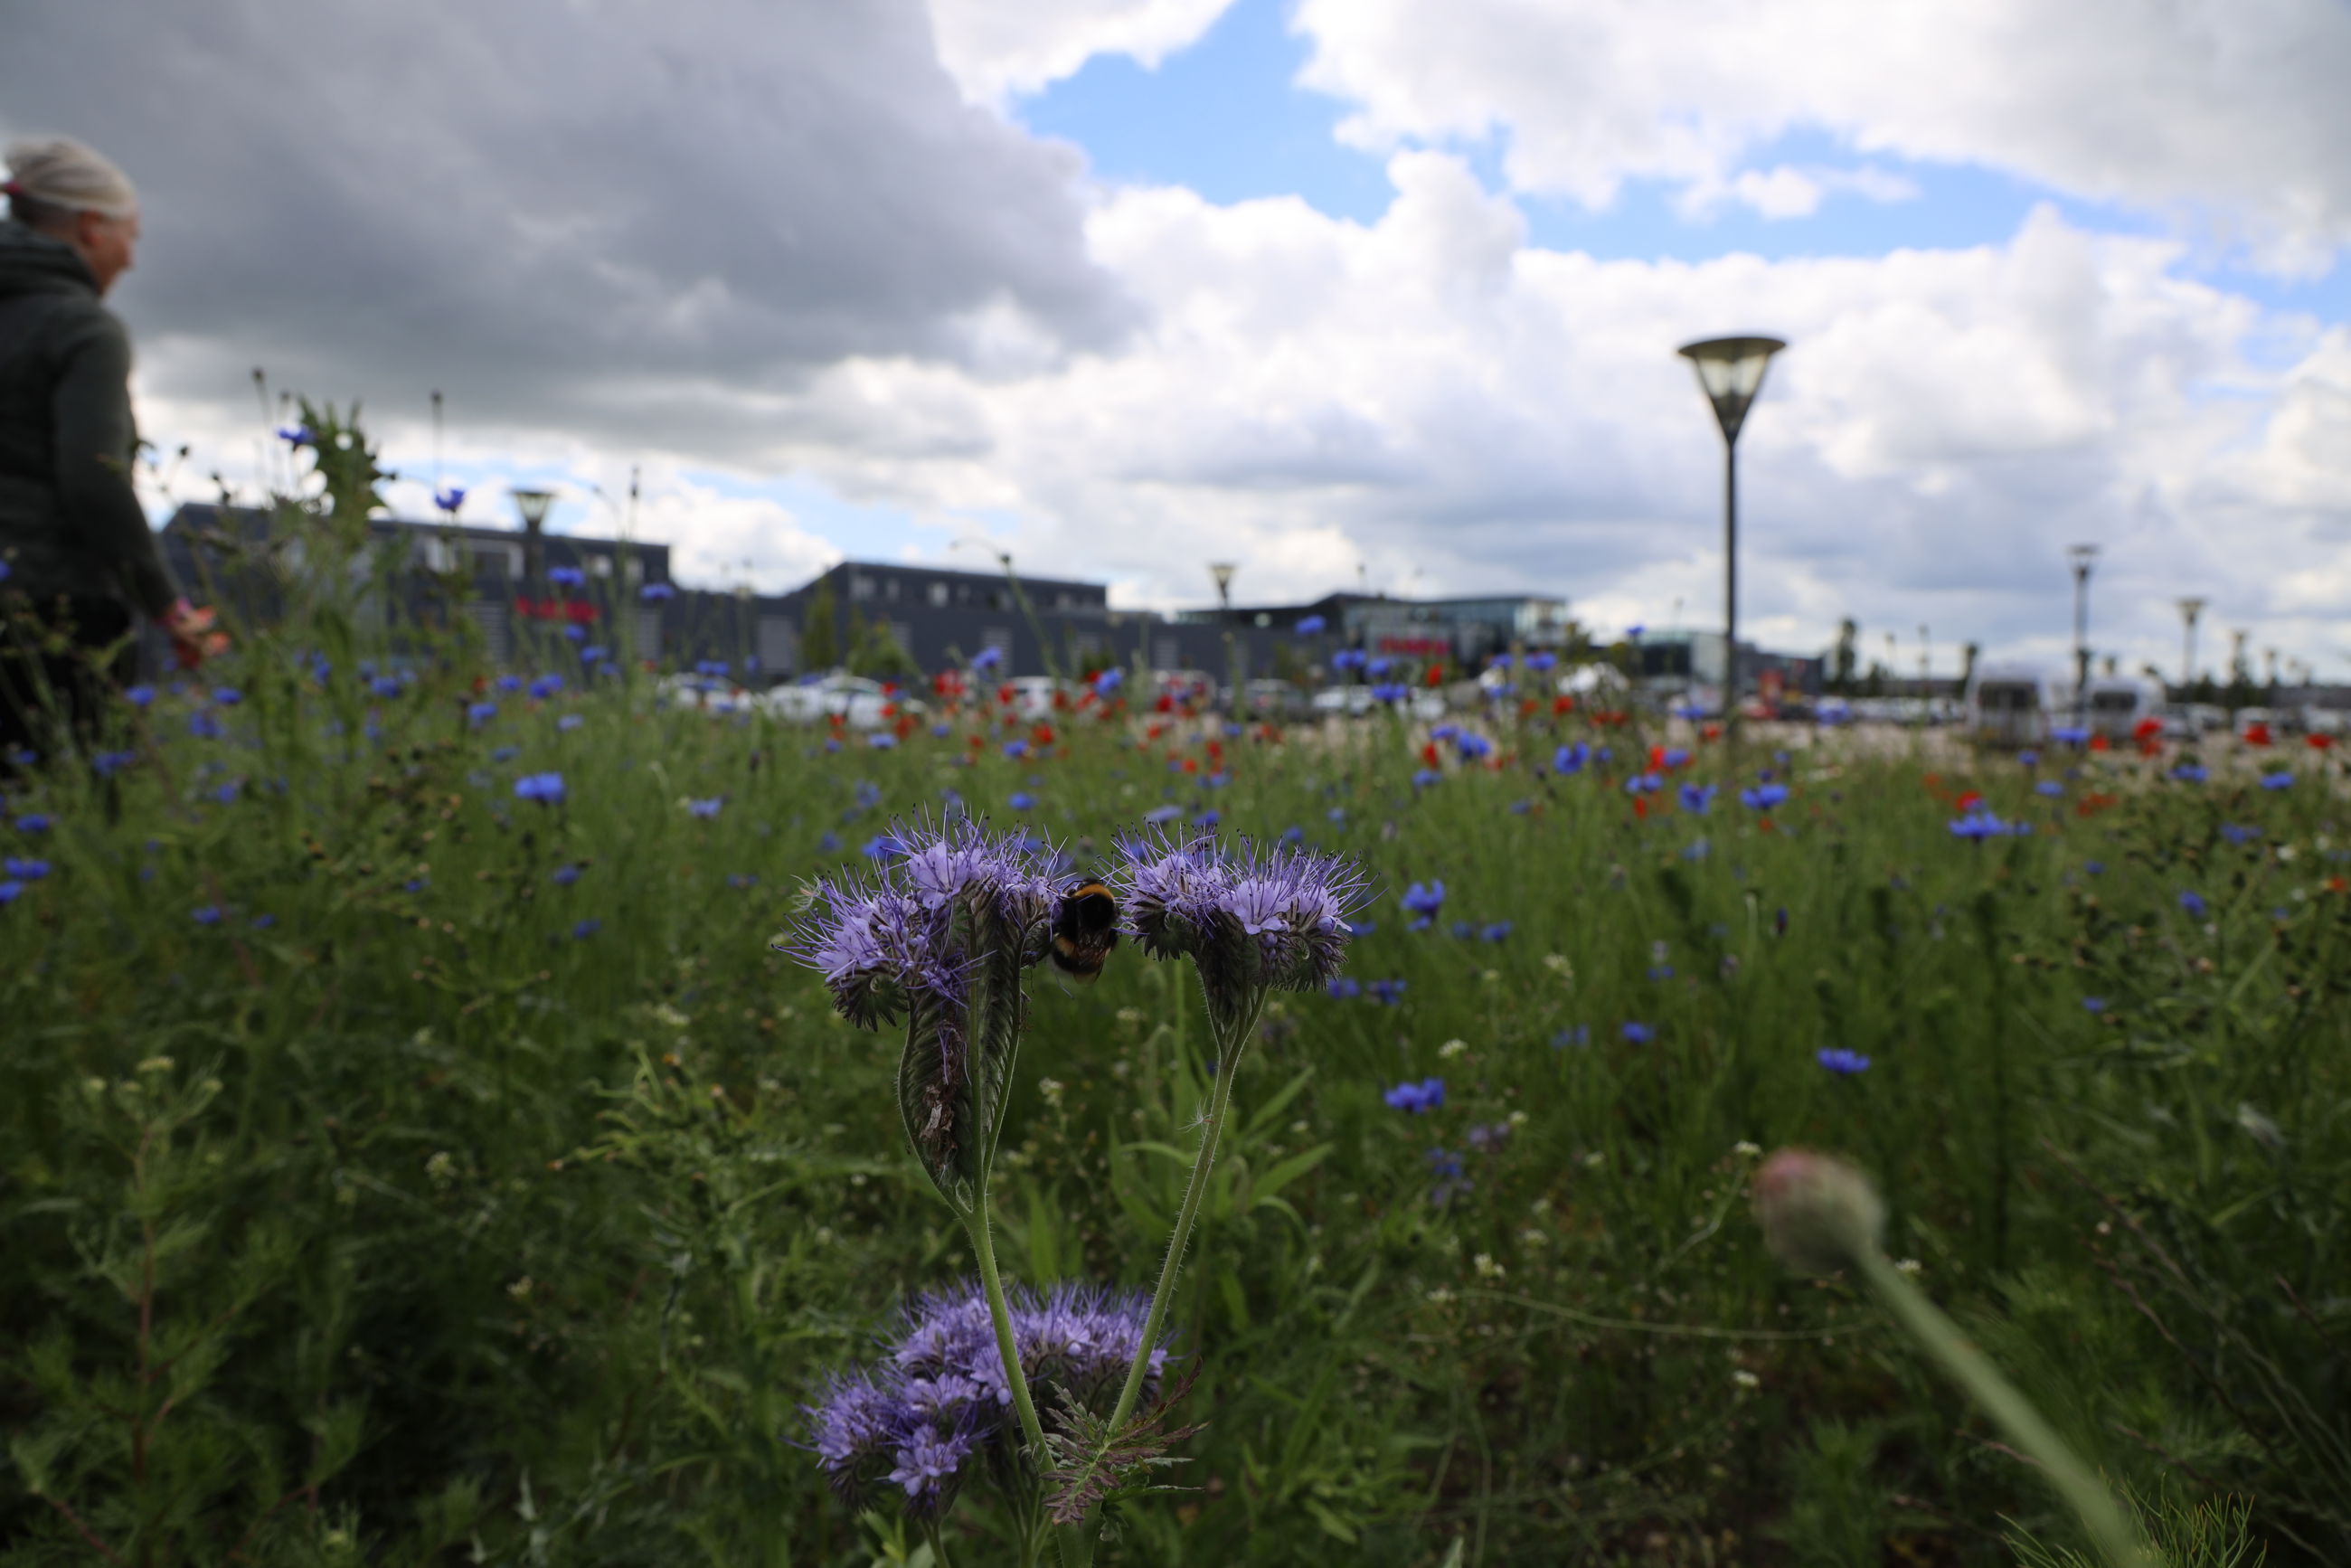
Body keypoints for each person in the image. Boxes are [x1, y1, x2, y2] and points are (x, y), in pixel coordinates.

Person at [0, 135, 223, 766]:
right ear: (93, 228)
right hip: (52, 613)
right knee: (68, 808)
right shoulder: (79, 327)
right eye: (132, 235)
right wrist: (167, 606)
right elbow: (92, 479)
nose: (130, 257)